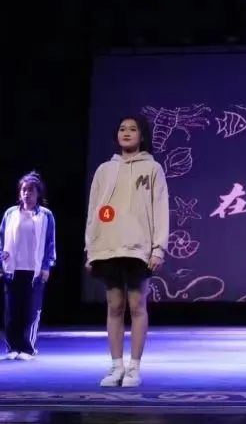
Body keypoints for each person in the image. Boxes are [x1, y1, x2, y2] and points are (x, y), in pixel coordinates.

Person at [85, 115, 169, 387]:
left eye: (133, 129)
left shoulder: (153, 168)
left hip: (138, 248)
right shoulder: (104, 170)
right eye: (122, 129)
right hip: (108, 246)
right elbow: (95, 212)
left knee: (136, 306)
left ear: (142, 136)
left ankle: (134, 367)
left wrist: (158, 249)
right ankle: (116, 366)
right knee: (114, 306)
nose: (127, 133)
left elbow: (160, 209)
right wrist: (91, 248)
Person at [0, 171, 56, 360]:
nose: (27, 193)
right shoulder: (10, 214)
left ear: (38, 194)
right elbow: (1, 238)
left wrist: (46, 266)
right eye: (24, 190)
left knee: (31, 311)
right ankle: (12, 347)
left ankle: (28, 349)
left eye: (30, 190)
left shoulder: (46, 215)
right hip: (12, 269)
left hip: (34, 271)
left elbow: (50, 243)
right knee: (12, 311)